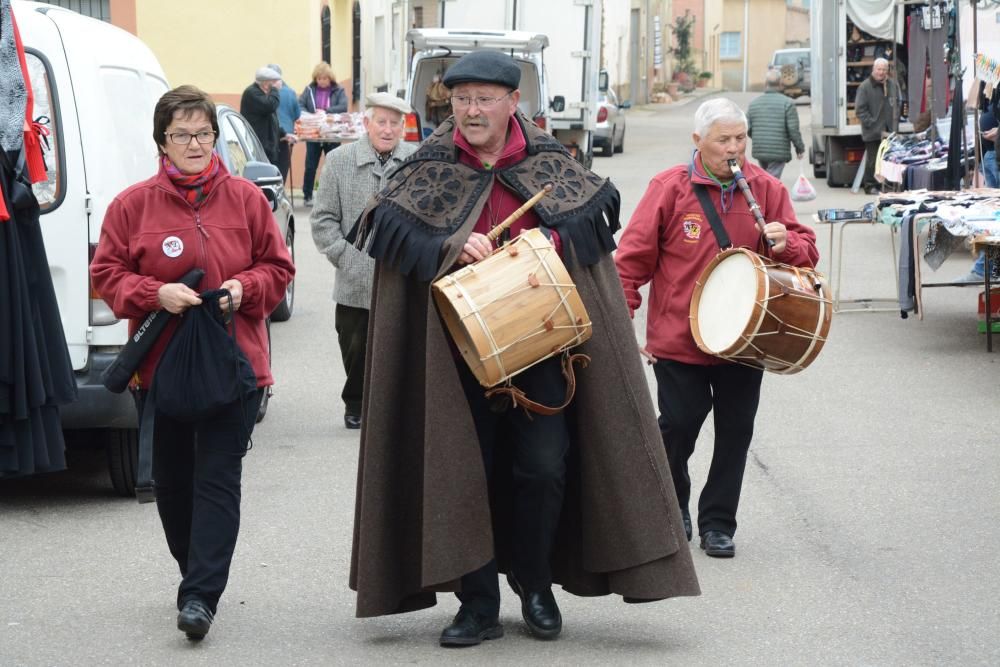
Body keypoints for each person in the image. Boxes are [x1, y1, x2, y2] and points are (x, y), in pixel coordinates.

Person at [349, 49, 699, 648]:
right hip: (454, 353)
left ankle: (535, 585)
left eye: (484, 99)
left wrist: (546, 239)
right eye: (460, 100)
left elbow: (588, 227)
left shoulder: (551, 161)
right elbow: (391, 233)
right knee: (463, 471)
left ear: (515, 103)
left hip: (543, 347)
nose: (471, 110)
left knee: (543, 467)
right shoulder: (425, 166)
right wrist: (453, 245)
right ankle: (478, 603)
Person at [89, 85, 295, 641]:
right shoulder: (132, 205)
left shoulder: (247, 199)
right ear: (163, 141)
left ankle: (202, 596)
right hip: (161, 369)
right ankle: (194, 574)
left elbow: (278, 269)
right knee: (175, 485)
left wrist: (242, 287)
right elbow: (106, 275)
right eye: (182, 134)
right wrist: (156, 293)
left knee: (219, 481)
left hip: (236, 366)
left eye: (204, 133)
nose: (196, 143)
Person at [614, 98, 819, 559]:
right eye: (724, 140)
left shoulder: (765, 187)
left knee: (735, 431)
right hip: (679, 337)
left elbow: (806, 250)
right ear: (697, 141)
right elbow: (630, 263)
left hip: (746, 338)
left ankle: (718, 523)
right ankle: (674, 506)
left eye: (740, 139)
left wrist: (788, 244)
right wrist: (621, 322)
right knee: (679, 425)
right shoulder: (668, 188)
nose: (735, 149)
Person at [309, 93, 417, 430]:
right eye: (381, 122)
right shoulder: (341, 161)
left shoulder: (416, 162)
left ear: (403, 128)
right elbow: (323, 219)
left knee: (399, 346)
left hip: (402, 275)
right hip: (354, 279)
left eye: (394, 123)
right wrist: (346, 256)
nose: (387, 130)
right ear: (366, 124)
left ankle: (390, 407)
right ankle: (355, 402)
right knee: (354, 346)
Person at [299, 62, 349, 206]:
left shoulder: (338, 90)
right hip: (314, 132)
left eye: (324, 78)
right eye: (319, 79)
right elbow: (300, 104)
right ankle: (307, 195)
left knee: (334, 165)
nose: (322, 81)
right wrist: (310, 114)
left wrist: (327, 111)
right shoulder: (309, 90)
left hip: (332, 133)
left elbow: (343, 106)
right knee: (310, 165)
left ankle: (334, 196)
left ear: (330, 78)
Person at [746, 70, 805, 179]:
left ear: (765, 83)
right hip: (779, 152)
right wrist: (799, 148)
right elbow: (793, 130)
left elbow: (748, 128)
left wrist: (758, 138)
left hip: (760, 150)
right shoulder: (788, 103)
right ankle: (764, 195)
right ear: (781, 84)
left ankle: (762, 195)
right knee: (772, 181)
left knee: (766, 178)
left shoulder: (753, 103)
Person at [855, 58, 899, 195]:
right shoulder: (865, 87)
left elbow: (899, 103)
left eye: (884, 69)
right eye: (879, 69)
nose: (881, 72)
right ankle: (870, 185)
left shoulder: (892, 85)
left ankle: (886, 185)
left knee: (889, 159)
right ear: (874, 70)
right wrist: (871, 123)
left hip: (889, 130)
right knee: (873, 160)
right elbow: (860, 110)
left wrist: (896, 121)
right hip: (872, 131)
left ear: (887, 71)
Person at [240, 66, 282, 165]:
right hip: (259, 147)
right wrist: (274, 90)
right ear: (266, 83)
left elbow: (270, 118)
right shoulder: (252, 93)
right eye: (274, 82)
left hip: (267, 147)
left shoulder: (263, 95)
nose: (279, 85)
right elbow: (270, 106)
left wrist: (284, 133)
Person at [268, 63, 300, 183]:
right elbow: (297, 115)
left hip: (270, 137)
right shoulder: (290, 92)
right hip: (286, 136)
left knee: (269, 170)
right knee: (282, 170)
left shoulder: (265, 92)